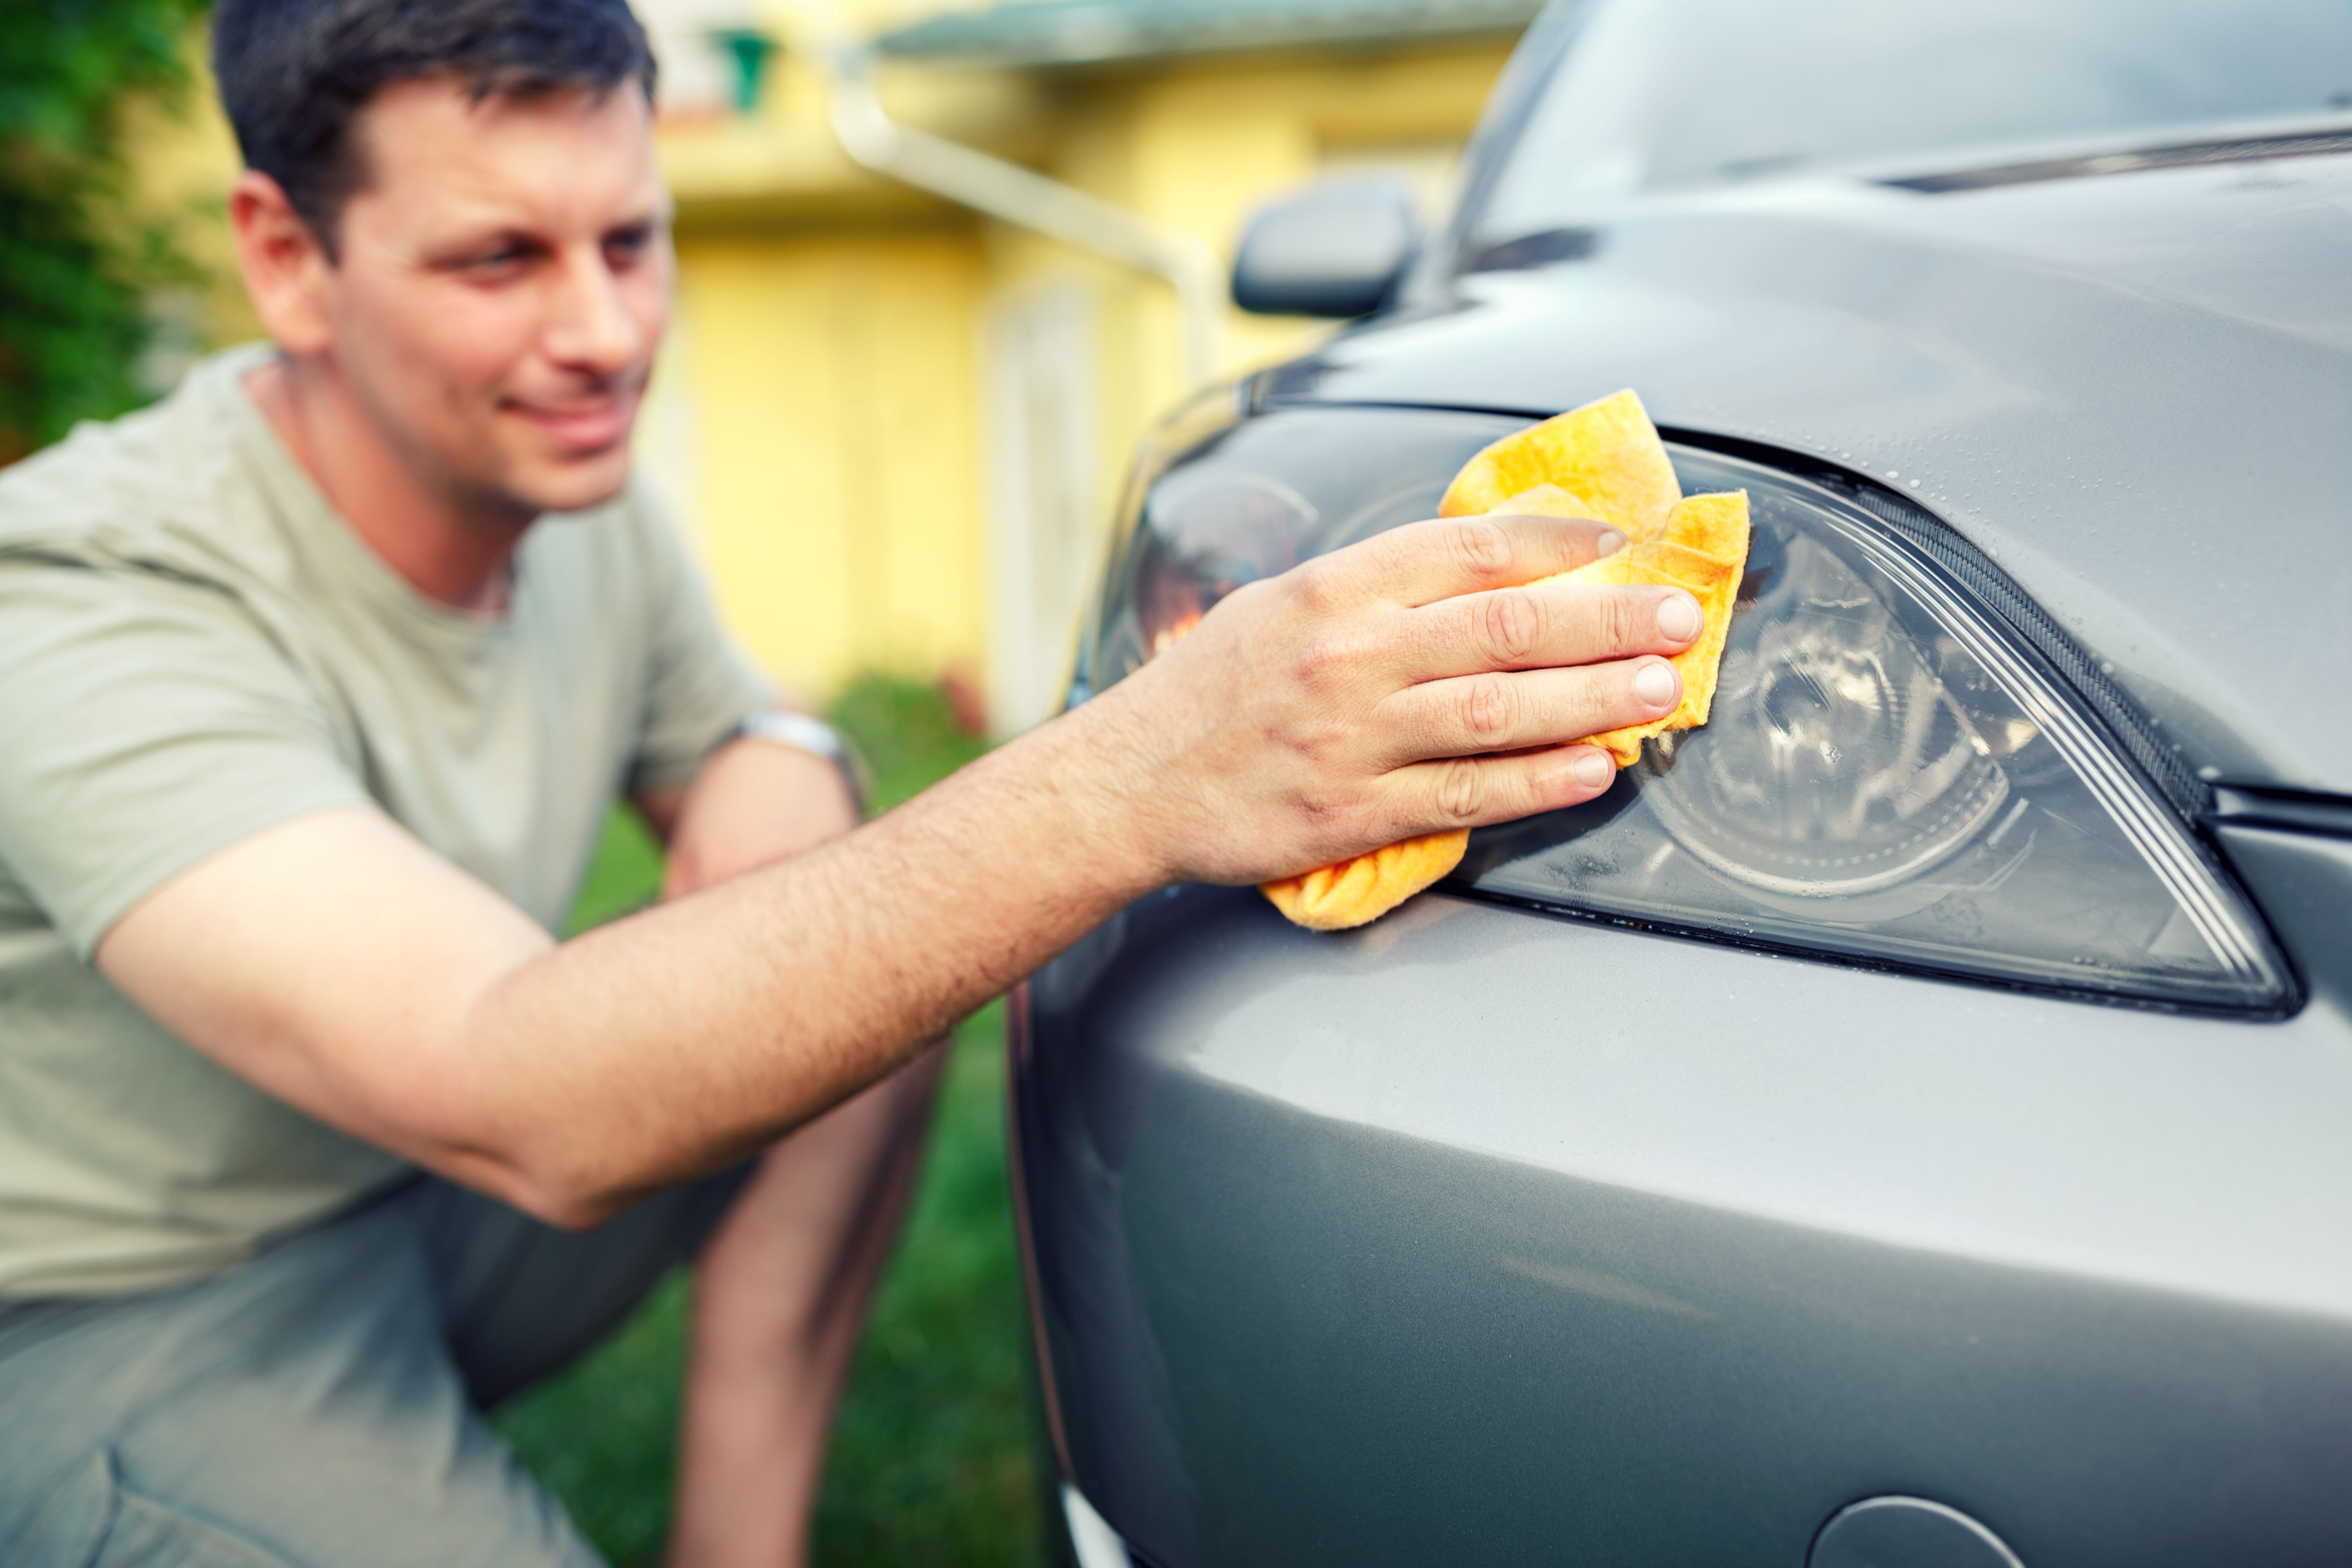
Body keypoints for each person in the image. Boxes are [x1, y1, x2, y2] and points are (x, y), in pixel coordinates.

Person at [0, 0, 1707, 1563]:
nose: (603, 331)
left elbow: (765, 777)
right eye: (497, 260)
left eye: (632, 239)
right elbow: (511, 1085)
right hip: (124, 1307)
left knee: (849, 907)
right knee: (885, 897)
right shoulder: (81, 602)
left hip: (429, 1215)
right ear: (286, 260)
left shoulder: (566, 497)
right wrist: (1143, 771)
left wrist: (785, 755)